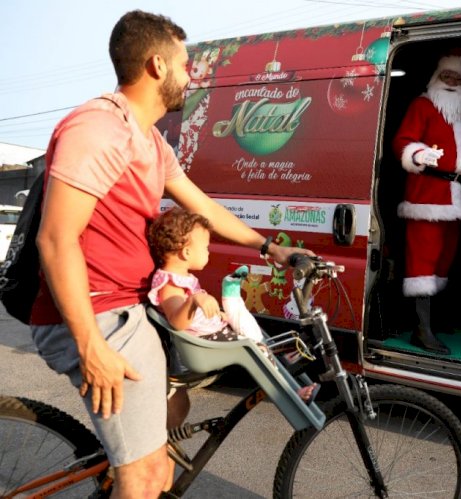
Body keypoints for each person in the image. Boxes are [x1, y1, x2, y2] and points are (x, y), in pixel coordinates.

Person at [29, 10, 312, 498]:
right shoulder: (98, 129)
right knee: (148, 478)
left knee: (172, 411)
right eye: (185, 64)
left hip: (128, 307)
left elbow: (201, 206)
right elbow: (55, 240)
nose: (191, 75)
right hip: (98, 314)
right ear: (157, 65)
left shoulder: (149, 140)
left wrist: (270, 248)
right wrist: (92, 346)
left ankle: (120, 463)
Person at [393, 53, 461, 355]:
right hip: (426, 193)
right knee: (423, 260)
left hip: (459, 196)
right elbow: (402, 140)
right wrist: (418, 154)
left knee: (445, 259)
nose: (453, 83)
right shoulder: (423, 105)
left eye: (459, 79)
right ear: (437, 79)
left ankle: (431, 320)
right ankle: (421, 329)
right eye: (447, 77)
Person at [147, 207, 318, 399]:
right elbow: (177, 322)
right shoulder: (170, 285)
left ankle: (285, 370)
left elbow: (193, 317)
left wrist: (214, 314)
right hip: (204, 345)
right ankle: (291, 393)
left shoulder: (180, 277)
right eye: (205, 248)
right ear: (186, 252)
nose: (208, 252)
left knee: (262, 341)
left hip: (212, 335)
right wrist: (194, 301)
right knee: (257, 350)